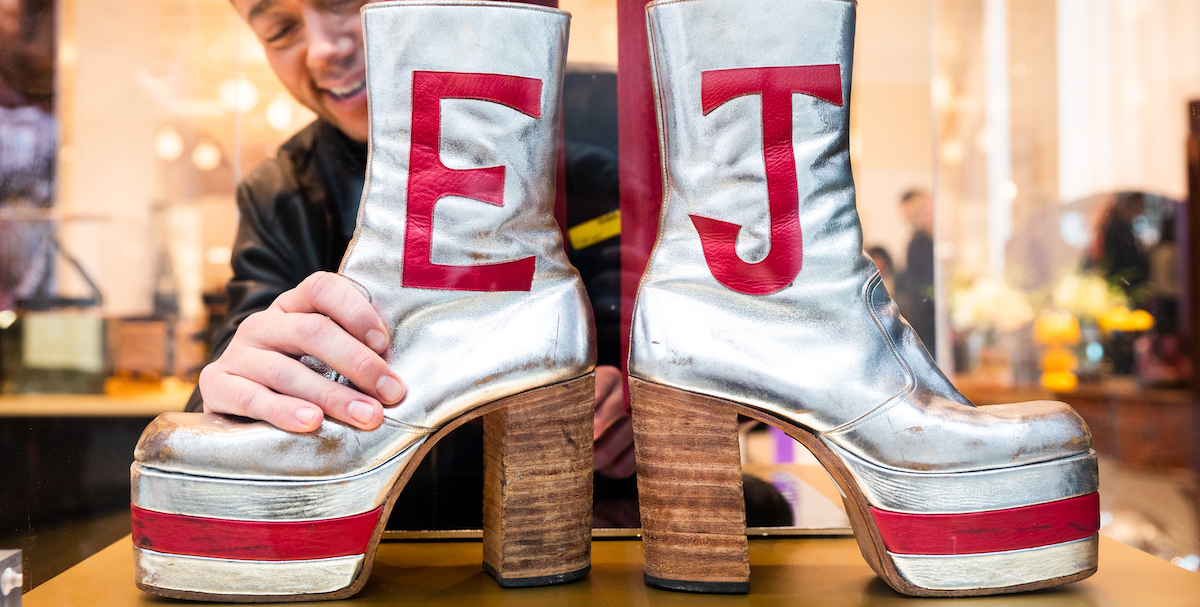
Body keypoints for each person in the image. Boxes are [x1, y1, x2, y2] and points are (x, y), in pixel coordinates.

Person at [187, 0, 635, 496]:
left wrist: (638, 400)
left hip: (605, 519)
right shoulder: (279, 195)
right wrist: (240, 392)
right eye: (279, 30)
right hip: (391, 533)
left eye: (342, 3)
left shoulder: (601, 147)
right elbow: (222, 393)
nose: (321, 51)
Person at [895, 188, 936, 347]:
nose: (932, 215)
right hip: (928, 322)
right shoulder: (918, 244)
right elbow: (921, 289)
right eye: (926, 211)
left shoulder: (934, 241)